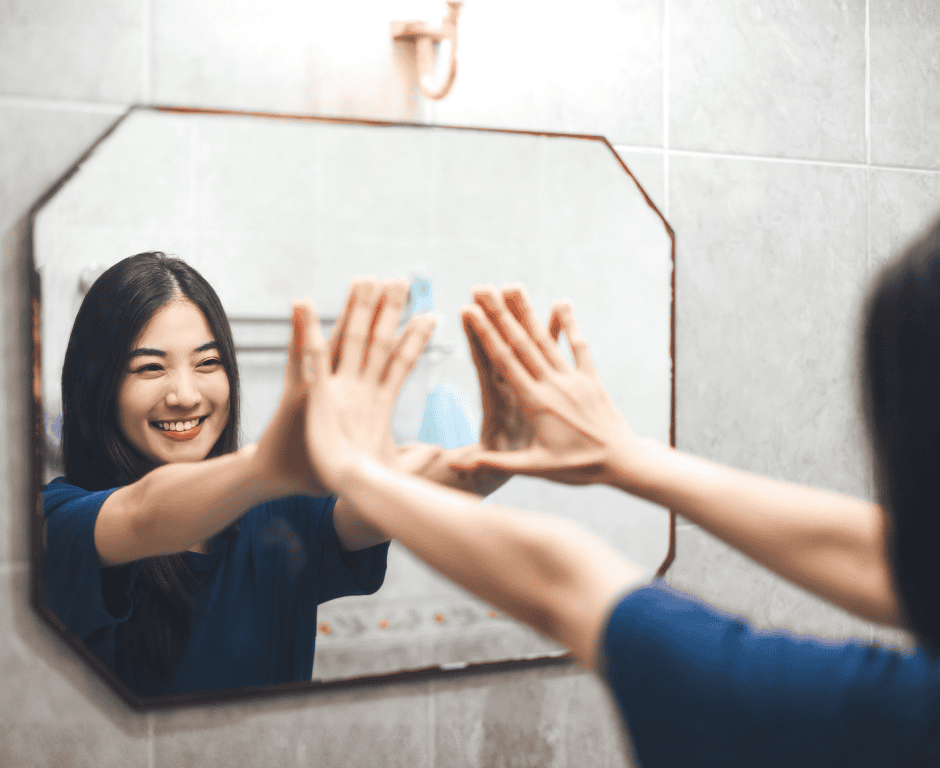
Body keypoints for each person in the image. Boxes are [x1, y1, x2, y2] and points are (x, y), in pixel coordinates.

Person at [294, 222, 940, 765]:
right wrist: (627, 458)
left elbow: (565, 582)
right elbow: (878, 555)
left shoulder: (893, 721)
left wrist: (356, 469)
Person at [42, 252, 513, 698]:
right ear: (98, 385)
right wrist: (264, 467)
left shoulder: (277, 515)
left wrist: (498, 455)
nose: (185, 394)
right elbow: (145, 513)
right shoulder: (56, 523)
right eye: (149, 368)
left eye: (209, 363)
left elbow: (396, 486)